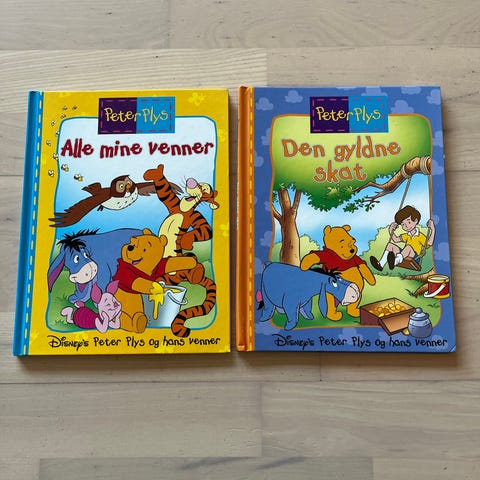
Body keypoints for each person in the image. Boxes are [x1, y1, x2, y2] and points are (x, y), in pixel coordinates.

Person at [370, 205, 435, 271]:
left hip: (415, 257)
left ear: (415, 221)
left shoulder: (420, 236)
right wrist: (391, 230)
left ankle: (395, 261)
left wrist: (433, 229)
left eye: (409, 222)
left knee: (408, 247)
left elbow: (429, 243)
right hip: (403, 254)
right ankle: (381, 264)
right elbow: (395, 239)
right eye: (403, 224)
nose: (406, 226)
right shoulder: (406, 236)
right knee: (390, 245)